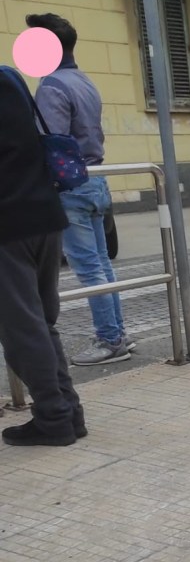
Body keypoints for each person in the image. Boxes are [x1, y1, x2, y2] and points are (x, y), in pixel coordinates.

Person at [25, 13, 132, 366]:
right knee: (101, 263)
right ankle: (117, 333)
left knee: (88, 267)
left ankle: (109, 339)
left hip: (71, 184)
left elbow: (51, 141)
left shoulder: (52, 85)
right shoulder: (83, 80)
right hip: (96, 177)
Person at [0, 65, 84, 446]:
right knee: (42, 322)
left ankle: (54, 419)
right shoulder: (9, 76)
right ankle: (69, 411)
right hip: (44, 214)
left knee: (21, 327)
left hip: (8, 224)